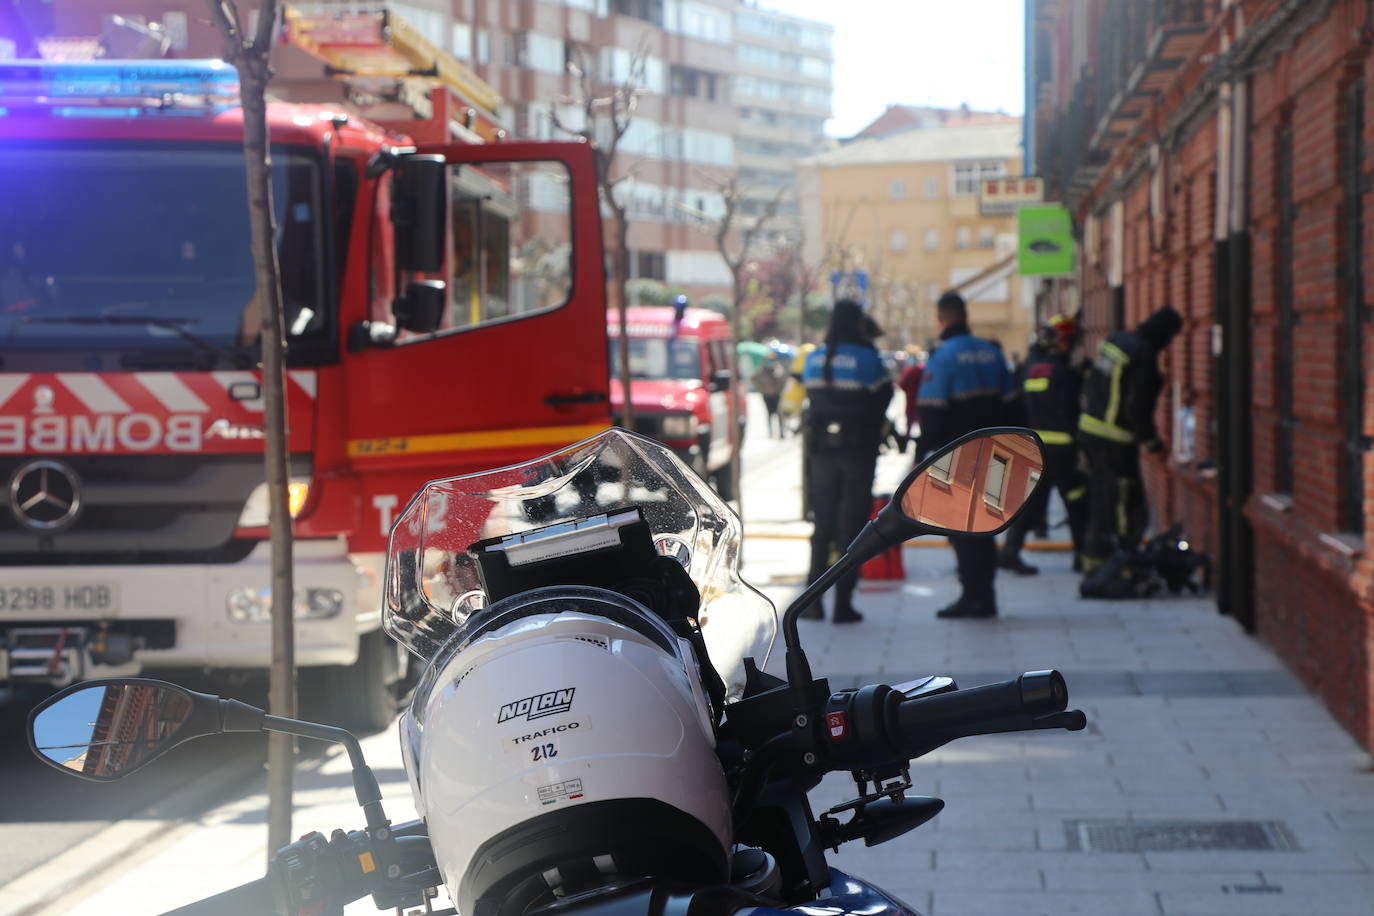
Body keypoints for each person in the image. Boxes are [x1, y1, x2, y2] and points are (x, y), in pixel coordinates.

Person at [917, 291, 1017, 618]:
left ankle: (972, 597)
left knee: (962, 530)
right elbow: (1015, 404)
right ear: (965, 315)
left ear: (941, 318)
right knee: (986, 527)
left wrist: (928, 455)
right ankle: (985, 596)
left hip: (958, 456)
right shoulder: (991, 353)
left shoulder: (943, 356)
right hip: (996, 454)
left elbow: (931, 412)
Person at [800, 300, 892, 623]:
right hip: (857, 452)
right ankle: (843, 604)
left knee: (821, 527)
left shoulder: (815, 357)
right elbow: (884, 397)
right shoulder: (867, 359)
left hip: (821, 452)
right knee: (851, 528)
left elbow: (808, 398)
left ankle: (812, 602)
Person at [1077, 305, 1183, 574]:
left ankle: (1094, 561)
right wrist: (1153, 444)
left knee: (1101, 497)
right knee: (1125, 500)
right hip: (1115, 440)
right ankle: (1123, 563)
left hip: (1089, 430)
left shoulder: (1117, 341)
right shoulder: (1143, 355)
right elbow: (1137, 407)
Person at [997, 314, 1088, 575]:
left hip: (1035, 444)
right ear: (1062, 342)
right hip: (1061, 447)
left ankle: (1010, 550)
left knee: (1033, 502)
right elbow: (1071, 408)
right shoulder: (1065, 372)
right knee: (1075, 500)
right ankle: (1083, 556)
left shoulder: (1031, 367)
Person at [754, 354, 787, 438]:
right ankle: (770, 432)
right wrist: (761, 388)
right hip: (767, 394)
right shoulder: (762, 370)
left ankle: (781, 432)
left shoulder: (777, 369)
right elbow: (753, 379)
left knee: (779, 413)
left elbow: (783, 379)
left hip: (777, 394)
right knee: (769, 413)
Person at [896, 348, 925, 441]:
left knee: (911, 421)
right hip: (919, 399)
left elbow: (901, 384)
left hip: (914, 398)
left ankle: (907, 440)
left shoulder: (911, 369)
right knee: (919, 422)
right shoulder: (921, 368)